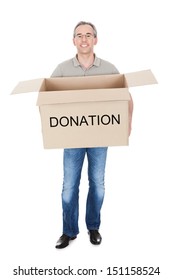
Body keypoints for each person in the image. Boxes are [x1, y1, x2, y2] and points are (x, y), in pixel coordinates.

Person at [51, 21, 133, 249]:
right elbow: (46, 99)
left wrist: (128, 124)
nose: (84, 39)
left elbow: (126, 97)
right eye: (79, 35)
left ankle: (93, 227)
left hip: (100, 137)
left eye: (88, 35)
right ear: (74, 41)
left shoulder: (108, 68)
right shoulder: (62, 69)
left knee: (97, 184)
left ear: (95, 39)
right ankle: (69, 232)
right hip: (71, 138)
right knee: (69, 186)